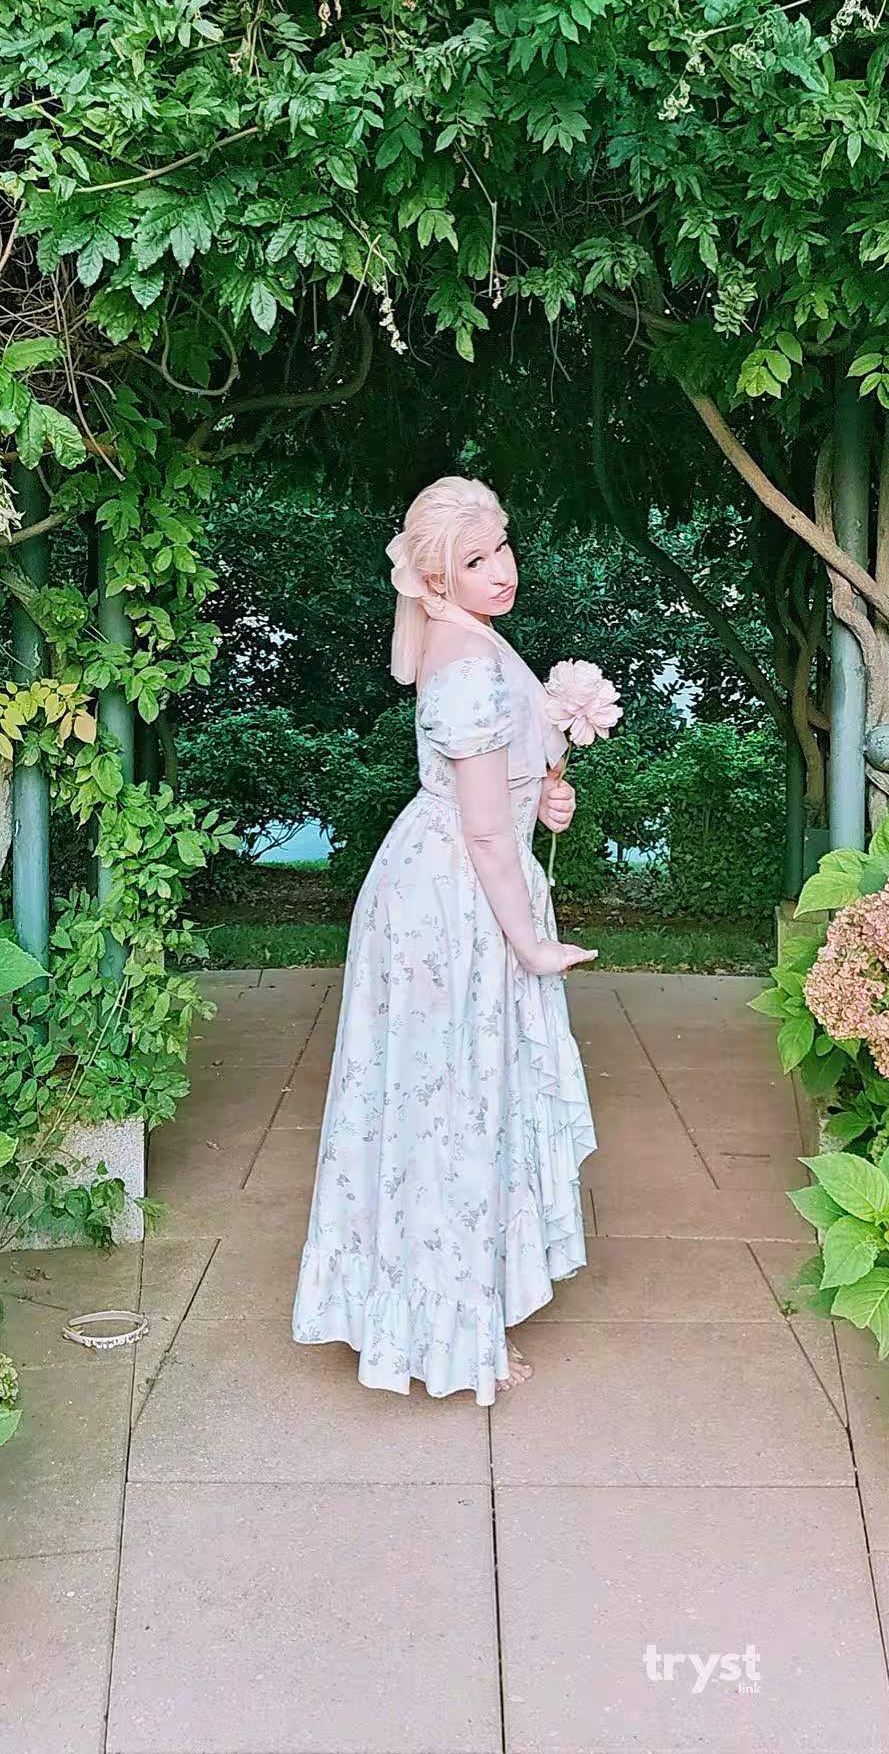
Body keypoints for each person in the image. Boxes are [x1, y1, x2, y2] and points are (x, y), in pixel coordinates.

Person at [291, 474, 598, 1403]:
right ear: (435, 578)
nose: (501, 569)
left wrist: (544, 797)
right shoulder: (464, 663)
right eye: (474, 560)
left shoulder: (471, 638)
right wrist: (532, 946)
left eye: (501, 547)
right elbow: (483, 831)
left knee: (449, 1096)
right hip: (454, 900)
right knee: (453, 1102)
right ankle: (448, 1334)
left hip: (450, 881)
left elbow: (498, 799)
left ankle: (447, 1318)